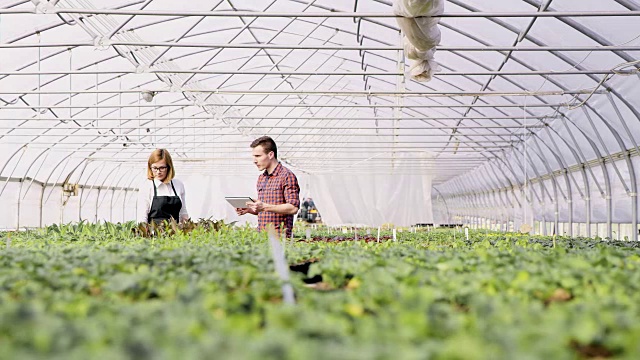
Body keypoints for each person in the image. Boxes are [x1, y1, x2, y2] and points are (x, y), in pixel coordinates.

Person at [236, 136, 300, 238]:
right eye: (253, 156)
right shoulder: (262, 178)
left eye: (258, 156)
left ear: (270, 154)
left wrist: (264, 206)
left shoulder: (287, 176)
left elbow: (293, 208)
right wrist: (250, 209)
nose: (254, 160)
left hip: (280, 238)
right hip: (262, 236)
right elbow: (266, 210)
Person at [137, 148, 189, 224]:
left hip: (175, 233)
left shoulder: (178, 185)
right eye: (155, 168)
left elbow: (183, 213)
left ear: (169, 167)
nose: (158, 172)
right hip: (154, 234)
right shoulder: (147, 186)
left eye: (162, 168)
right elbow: (142, 217)